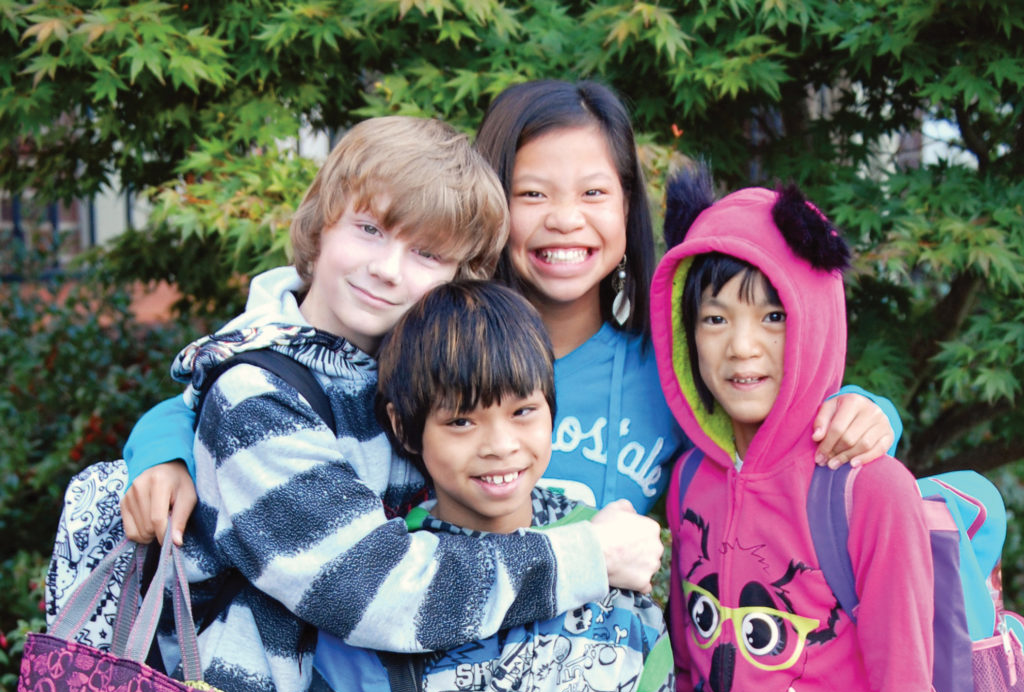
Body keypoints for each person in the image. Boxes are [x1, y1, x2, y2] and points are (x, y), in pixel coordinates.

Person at [98, 116, 663, 692]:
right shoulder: (260, 395)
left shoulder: (394, 384)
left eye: (426, 253)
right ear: (321, 226)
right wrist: (589, 553)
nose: (389, 270)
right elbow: (376, 588)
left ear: (462, 275)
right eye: (368, 230)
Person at [119, 81, 900, 542]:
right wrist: (164, 454)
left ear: (627, 208)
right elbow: (229, 390)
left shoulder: (665, 373)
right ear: (492, 212)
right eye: (533, 194)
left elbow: (774, 418)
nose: (566, 220)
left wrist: (867, 412)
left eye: (595, 193)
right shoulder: (420, 346)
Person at [287, 278, 725, 692]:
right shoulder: (395, 584)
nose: (500, 445)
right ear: (405, 425)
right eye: (461, 422)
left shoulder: (609, 572)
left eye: (523, 412)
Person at [649, 165, 951, 692]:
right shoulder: (691, 478)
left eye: (773, 315)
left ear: (813, 315)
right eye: (715, 317)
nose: (742, 346)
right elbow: (693, 679)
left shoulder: (866, 489)